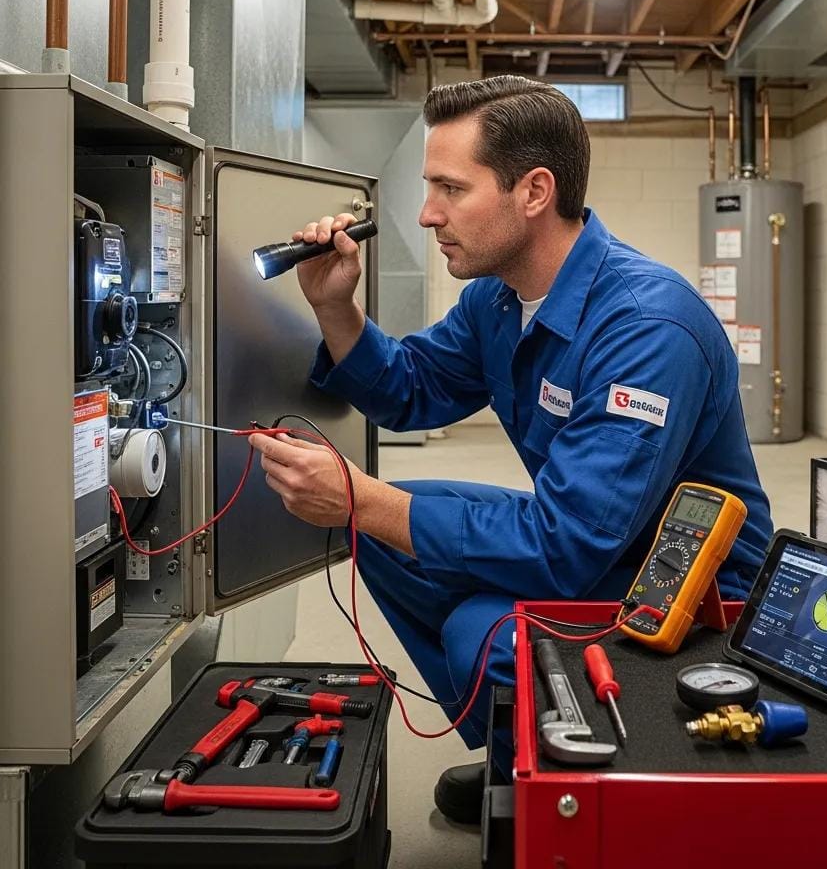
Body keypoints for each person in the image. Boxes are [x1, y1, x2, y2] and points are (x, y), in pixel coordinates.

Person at [248, 75, 773, 824]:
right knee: (393, 527)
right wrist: (335, 306)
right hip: (596, 540)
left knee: (478, 628)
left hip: (685, 596)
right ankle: (514, 744)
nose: (428, 214)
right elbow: (411, 390)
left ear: (533, 191)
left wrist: (363, 496)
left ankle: (563, 777)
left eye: (451, 189)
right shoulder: (496, 300)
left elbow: (568, 548)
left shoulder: (647, 328)